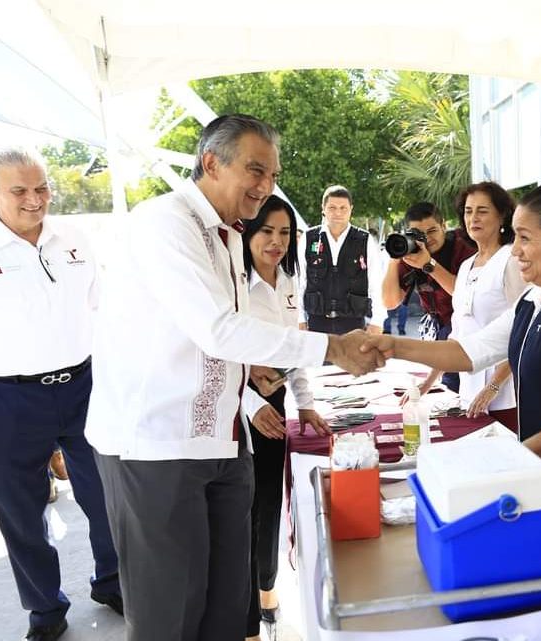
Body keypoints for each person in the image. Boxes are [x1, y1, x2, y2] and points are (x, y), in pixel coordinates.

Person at [85, 114, 382, 641]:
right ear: (211, 163)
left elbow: (231, 341)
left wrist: (266, 375)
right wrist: (332, 348)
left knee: (228, 608)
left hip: (225, 443)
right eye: (255, 170)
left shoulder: (226, 237)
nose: (265, 187)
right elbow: (218, 330)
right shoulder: (166, 222)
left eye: (272, 174)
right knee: (169, 615)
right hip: (158, 444)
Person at [364, 182, 541, 559]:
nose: (515, 250)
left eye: (524, 238)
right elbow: (470, 351)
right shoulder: (535, 298)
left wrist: (498, 462)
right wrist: (394, 345)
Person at [0, 146, 122, 641]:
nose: (35, 200)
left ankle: (112, 580)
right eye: (20, 191)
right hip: (4, 398)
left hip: (83, 384)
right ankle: (45, 608)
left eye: (42, 188)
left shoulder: (74, 238)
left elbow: (102, 308)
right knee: (20, 510)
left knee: (105, 492)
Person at [240, 195, 330, 639]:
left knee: (270, 503)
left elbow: (293, 350)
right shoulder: (232, 282)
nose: (276, 242)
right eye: (266, 232)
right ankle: (245, 618)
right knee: (240, 511)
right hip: (233, 406)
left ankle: (266, 589)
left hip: (274, 403)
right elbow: (215, 356)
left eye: (285, 233)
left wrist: (305, 401)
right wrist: (251, 404)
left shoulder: (291, 280)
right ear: (248, 233)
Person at [414, 182, 525, 430]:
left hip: (506, 396)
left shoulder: (511, 260)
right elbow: (458, 335)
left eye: (482, 211)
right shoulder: (466, 266)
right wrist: (429, 381)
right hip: (469, 392)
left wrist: (494, 386)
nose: (473, 218)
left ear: (502, 215)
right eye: (468, 211)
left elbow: (521, 331)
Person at [381, 201, 477, 392]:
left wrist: (428, 264)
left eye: (432, 230)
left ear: (444, 226)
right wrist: (394, 259)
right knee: (449, 389)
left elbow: (464, 295)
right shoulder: (411, 252)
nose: (427, 239)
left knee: (462, 388)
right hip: (438, 328)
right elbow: (390, 302)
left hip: (467, 329)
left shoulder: (462, 247)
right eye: (419, 234)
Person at [303, 184, 384, 334]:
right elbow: (300, 281)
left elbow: (376, 283)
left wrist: (377, 321)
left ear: (351, 210)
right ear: (323, 208)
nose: (338, 213)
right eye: (332, 208)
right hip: (316, 324)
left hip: (353, 325)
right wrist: (300, 320)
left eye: (343, 208)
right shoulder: (309, 238)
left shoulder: (364, 240)